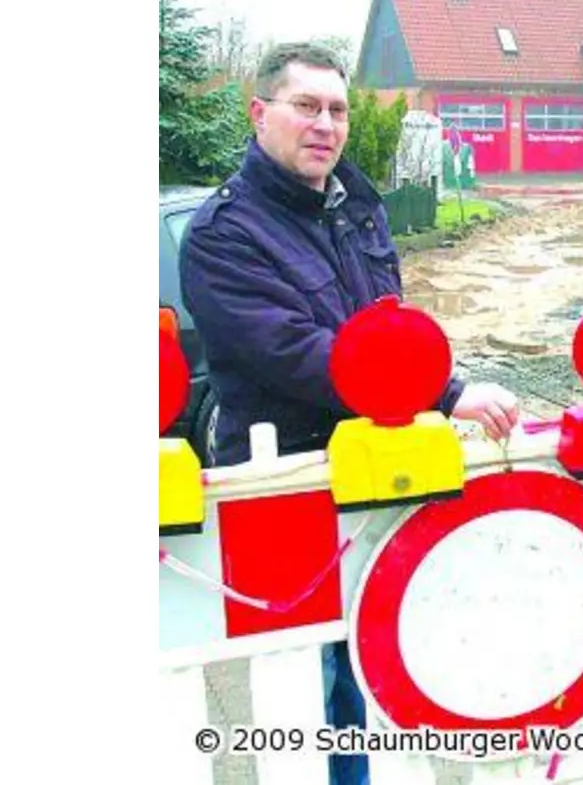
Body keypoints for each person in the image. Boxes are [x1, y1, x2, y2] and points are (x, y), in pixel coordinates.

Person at [179, 42, 519, 785]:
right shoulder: (222, 234)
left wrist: (429, 382)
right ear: (259, 112)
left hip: (377, 466)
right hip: (290, 479)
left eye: (336, 109)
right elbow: (302, 354)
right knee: (311, 680)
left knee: (376, 646)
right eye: (306, 106)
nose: (326, 125)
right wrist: (447, 392)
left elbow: (385, 327)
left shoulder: (353, 206)